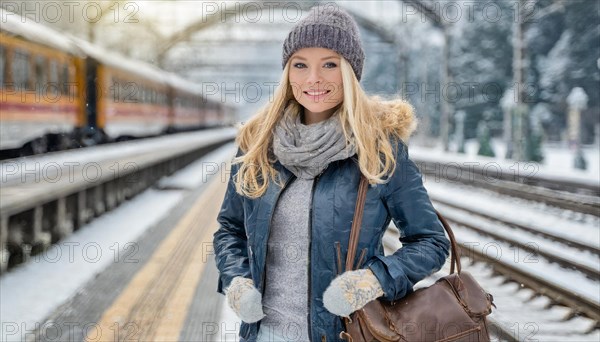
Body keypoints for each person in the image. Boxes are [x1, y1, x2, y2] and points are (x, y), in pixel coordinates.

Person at [213, 4, 450, 342]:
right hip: (266, 334)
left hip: (348, 333)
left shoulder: (379, 149)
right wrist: (237, 281)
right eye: (300, 65)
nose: (313, 79)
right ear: (287, 72)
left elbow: (431, 241)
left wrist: (372, 281)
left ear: (350, 73)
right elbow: (230, 230)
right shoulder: (258, 146)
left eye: (329, 64)